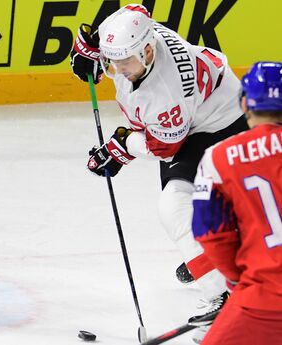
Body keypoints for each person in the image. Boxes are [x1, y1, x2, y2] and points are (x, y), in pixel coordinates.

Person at [69, 3, 248, 338]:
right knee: (192, 203)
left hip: (221, 125)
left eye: (124, 61)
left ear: (148, 50)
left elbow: (162, 147)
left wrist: (120, 147)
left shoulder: (167, 93)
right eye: (113, 61)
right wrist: (93, 50)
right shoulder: (139, 35)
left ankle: (222, 297)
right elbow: (133, 8)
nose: (118, 69)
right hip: (202, 113)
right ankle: (213, 258)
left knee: (175, 205)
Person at [192, 61, 282, 344]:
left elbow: (212, 234)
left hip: (261, 299)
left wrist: (234, 280)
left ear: (244, 103)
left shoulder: (217, 158)